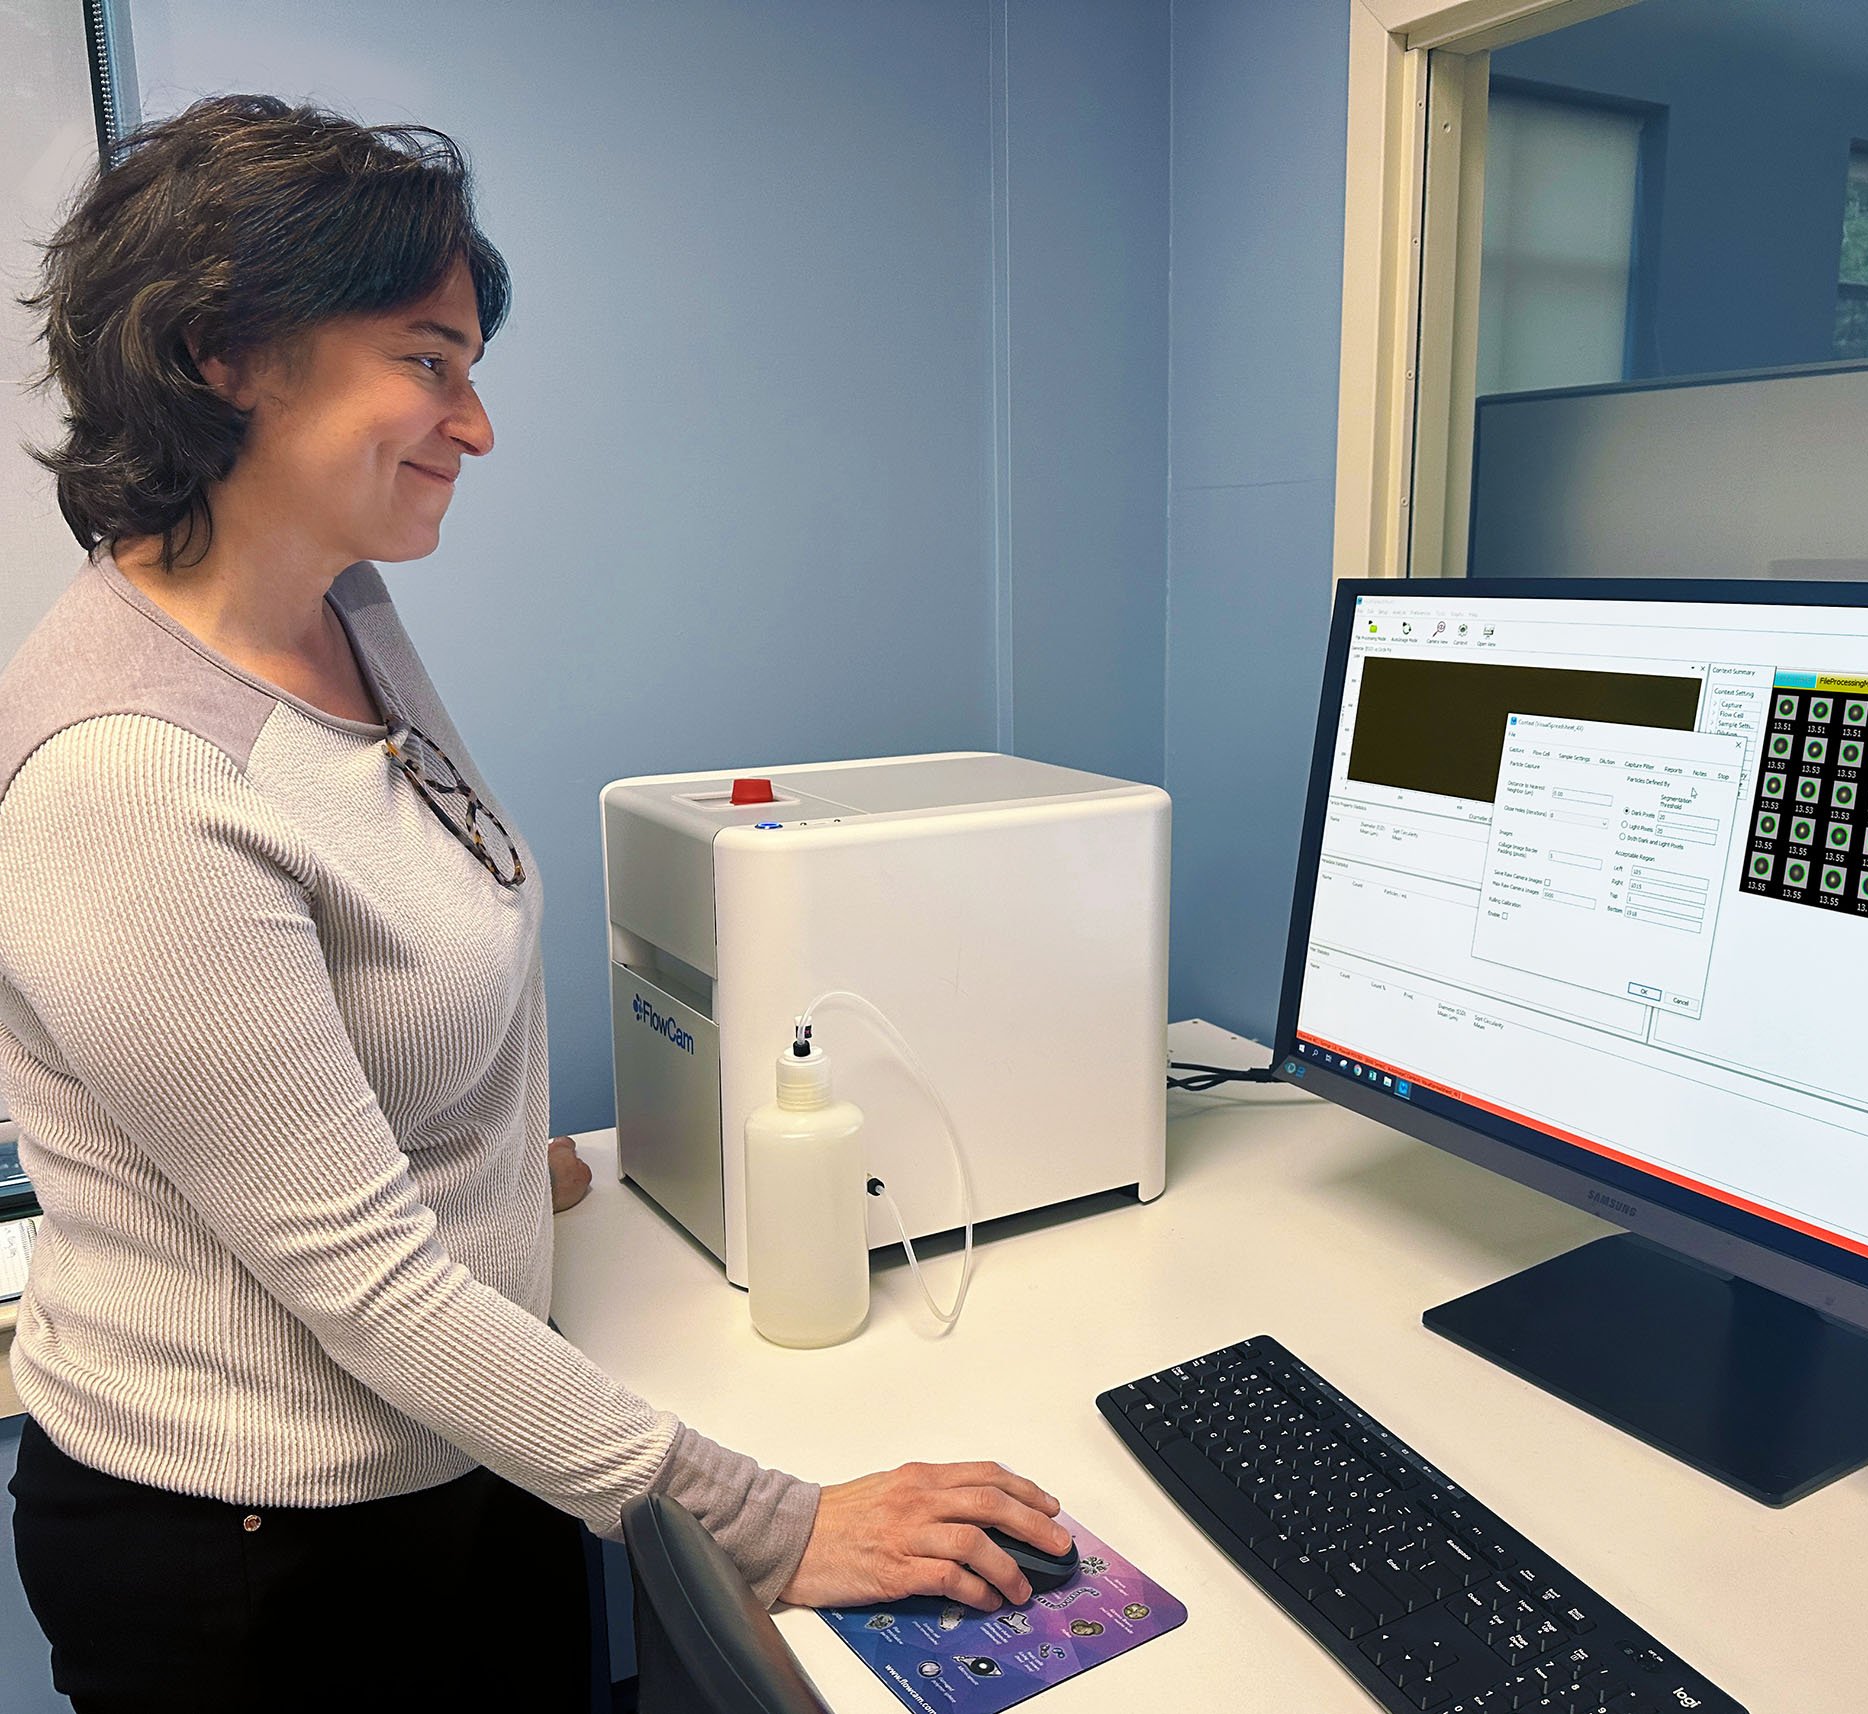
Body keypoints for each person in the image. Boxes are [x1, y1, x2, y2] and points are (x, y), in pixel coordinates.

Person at [0, 94, 1068, 1712]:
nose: (477, 422)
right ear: (228, 349)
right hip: (264, 1555)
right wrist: (776, 1527)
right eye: (427, 360)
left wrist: (501, 1159)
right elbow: (363, 1280)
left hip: (467, 1442)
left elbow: (397, 959)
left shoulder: (334, 606)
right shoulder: (126, 780)